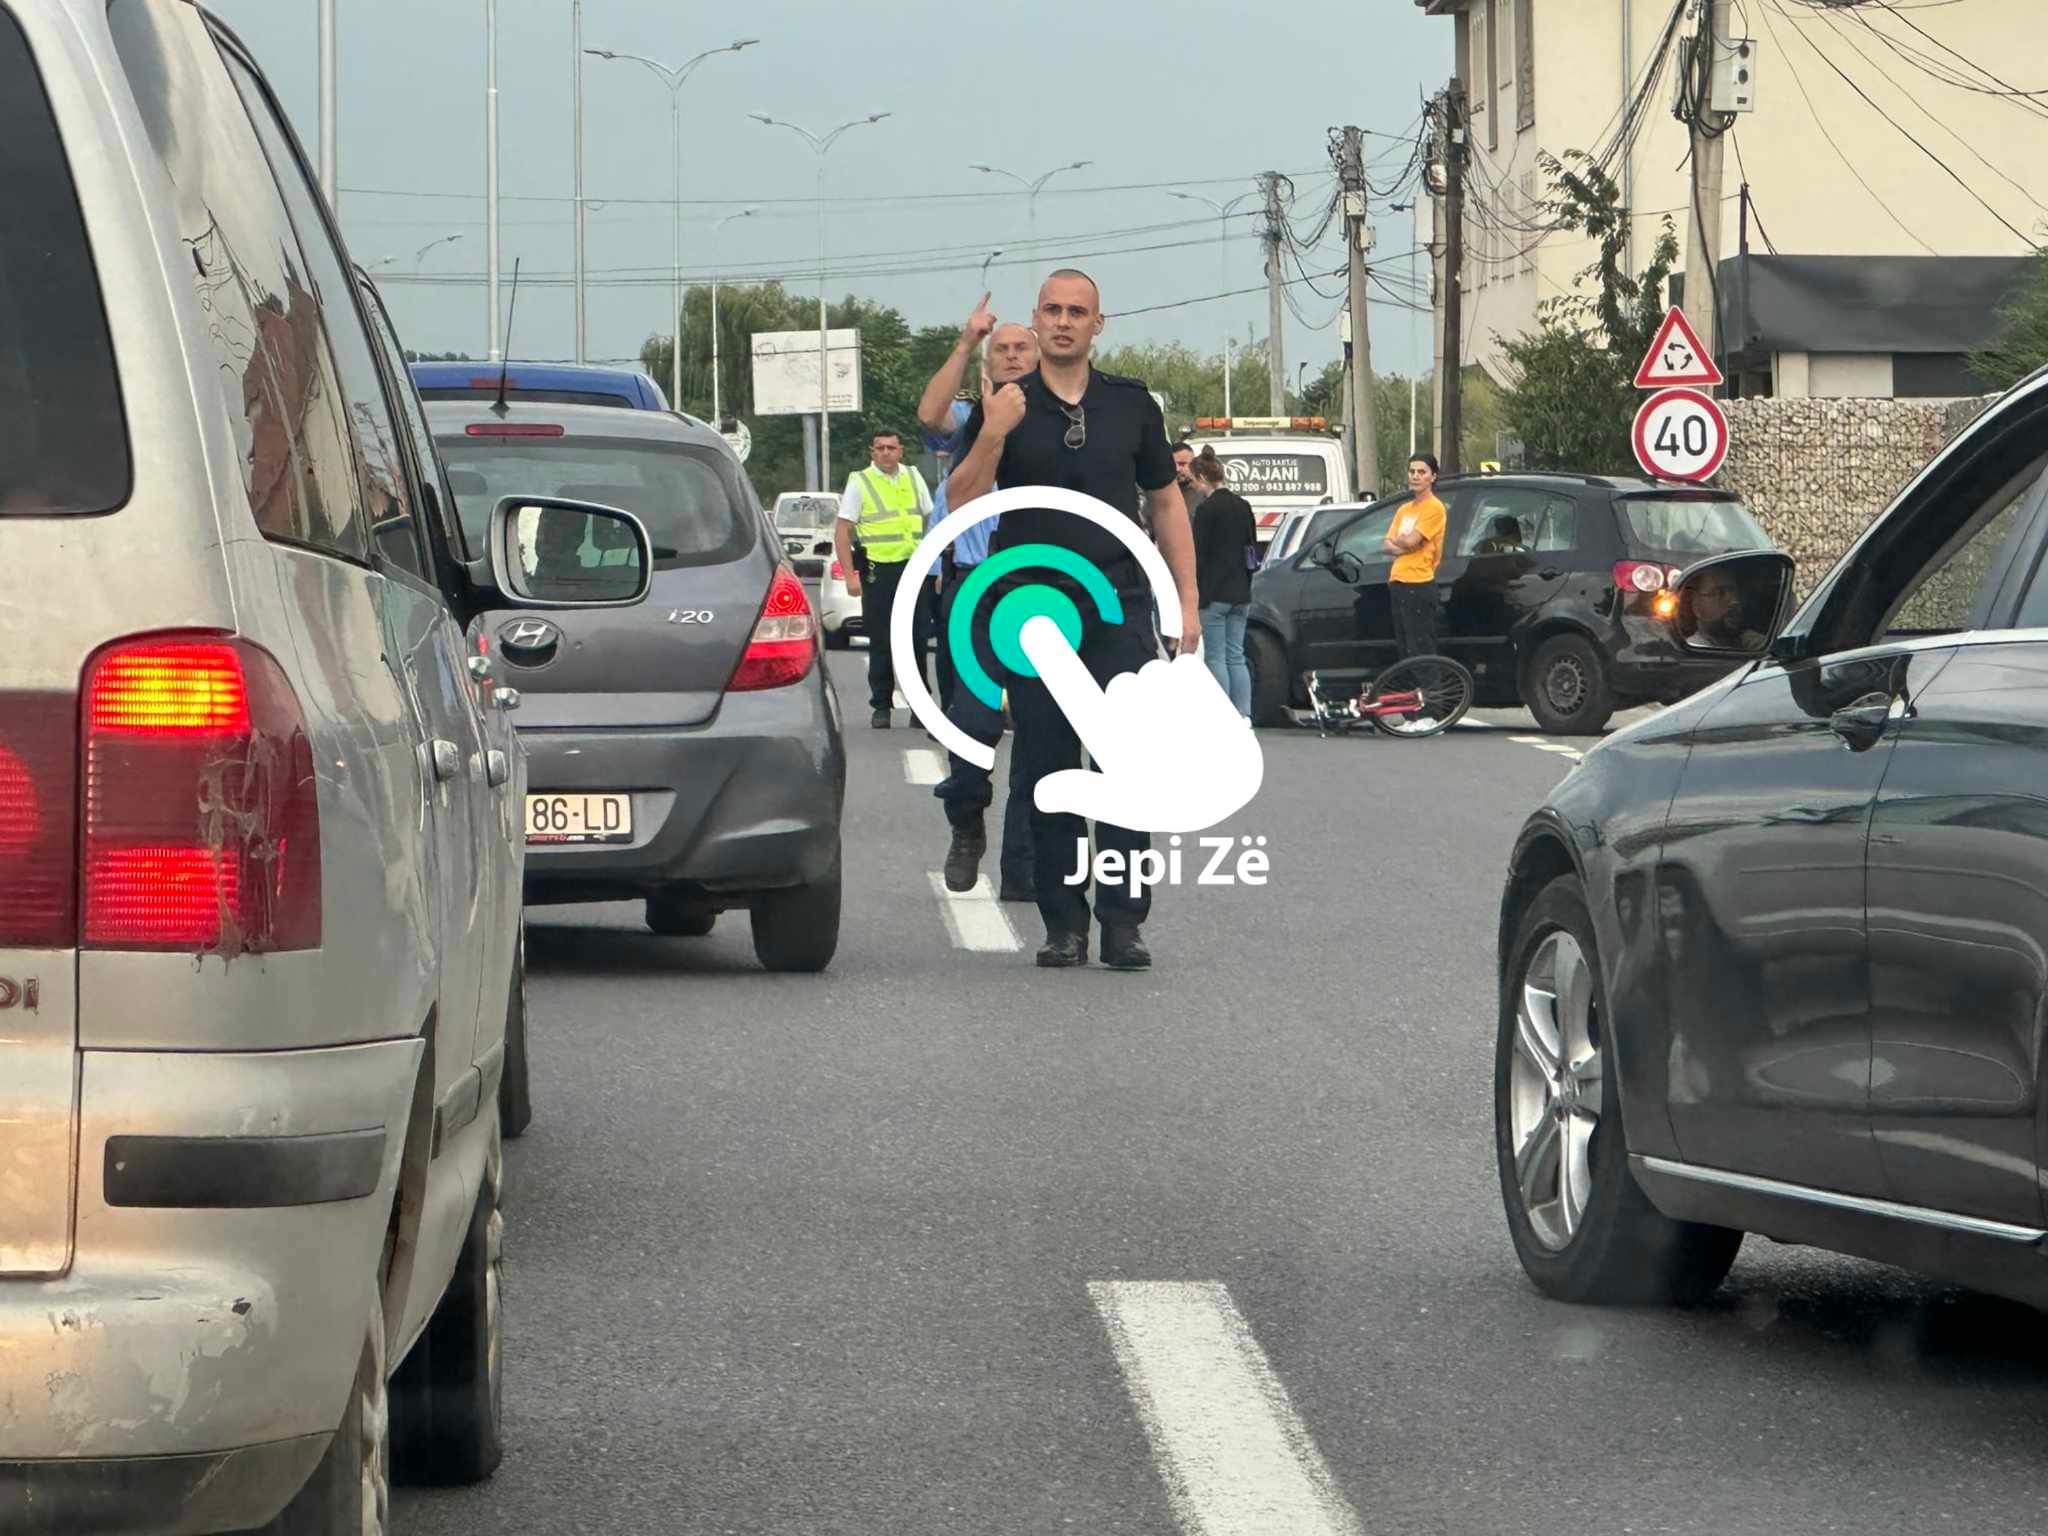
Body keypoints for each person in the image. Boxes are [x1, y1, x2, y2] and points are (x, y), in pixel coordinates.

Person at [944, 268, 1201, 972]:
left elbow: (1166, 503)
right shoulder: (1005, 403)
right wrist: (993, 435)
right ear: (1036, 319)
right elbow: (962, 500)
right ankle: (1064, 924)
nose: (1063, 322)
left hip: (1118, 603)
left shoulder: (1131, 404)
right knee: (1049, 767)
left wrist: (1185, 600)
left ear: (1097, 324)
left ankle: (1123, 923)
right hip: (1034, 610)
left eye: (1076, 312)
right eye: (1052, 310)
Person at [918, 304, 1041, 903]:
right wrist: (968, 340)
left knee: (1042, 730)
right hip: (974, 586)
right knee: (972, 719)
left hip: (1041, 585)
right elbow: (929, 414)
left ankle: (1024, 867)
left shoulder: (1061, 419)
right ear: (989, 364)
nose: (1012, 355)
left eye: (1023, 347)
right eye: (1003, 349)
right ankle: (966, 819)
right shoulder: (971, 418)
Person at [835, 429, 933, 728]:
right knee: (882, 639)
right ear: (872, 452)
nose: (886, 452)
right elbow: (842, 531)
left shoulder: (913, 476)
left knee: (916, 639)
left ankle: (920, 708)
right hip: (879, 571)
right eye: (880, 448)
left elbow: (930, 520)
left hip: (913, 569)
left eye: (891, 447)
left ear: (900, 451)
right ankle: (881, 706)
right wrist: (850, 576)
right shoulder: (860, 481)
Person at [1189, 446, 1257, 717]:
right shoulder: (1243, 506)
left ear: (1202, 478)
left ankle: (1223, 716)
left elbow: (1198, 554)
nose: (1194, 487)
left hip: (1213, 594)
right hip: (1241, 593)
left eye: (1194, 481)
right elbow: (1251, 550)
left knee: (1215, 657)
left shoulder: (1206, 510)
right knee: (1236, 655)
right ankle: (1244, 714)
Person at [1384, 453, 1447, 659]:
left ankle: (1431, 682)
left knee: (1420, 649)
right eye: (1412, 471)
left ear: (1433, 477)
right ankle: (1411, 682)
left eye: (1422, 472)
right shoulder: (1404, 510)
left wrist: (1404, 543)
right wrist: (1405, 545)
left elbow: (1411, 540)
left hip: (1418, 584)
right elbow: (1387, 544)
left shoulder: (1434, 507)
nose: (1415, 476)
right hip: (1398, 582)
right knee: (1405, 649)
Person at [1686, 570, 1767, 651]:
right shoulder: (1694, 648)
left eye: (1735, 592)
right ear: (1696, 605)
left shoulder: (1754, 642)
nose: (1734, 601)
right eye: (1719, 593)